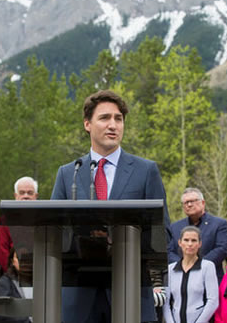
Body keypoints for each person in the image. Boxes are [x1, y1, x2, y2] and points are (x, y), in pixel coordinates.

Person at [51, 89, 170, 323]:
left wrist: (125, 241)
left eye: (118, 118)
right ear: (87, 124)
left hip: (131, 292)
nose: (113, 125)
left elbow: (162, 232)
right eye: (104, 118)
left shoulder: (145, 171)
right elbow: (54, 232)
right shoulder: (68, 174)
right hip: (79, 296)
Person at [168, 187, 227, 283]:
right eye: (186, 202)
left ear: (203, 203)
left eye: (192, 201)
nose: (189, 205)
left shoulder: (219, 224)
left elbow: (222, 249)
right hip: (180, 280)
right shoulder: (175, 227)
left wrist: (199, 265)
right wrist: (183, 265)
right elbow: (169, 251)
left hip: (210, 280)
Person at [164, 226, 219, 323]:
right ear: (180, 243)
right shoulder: (171, 269)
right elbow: (166, 302)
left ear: (199, 244)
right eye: (186, 240)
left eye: (194, 240)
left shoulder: (207, 266)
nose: (190, 244)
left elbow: (213, 301)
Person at [0, 177, 38, 273]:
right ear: (16, 196)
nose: (26, 196)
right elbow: (2, 250)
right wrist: (11, 273)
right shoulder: (6, 219)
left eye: (30, 193)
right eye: (22, 193)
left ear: (36, 196)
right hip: (13, 275)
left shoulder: (44, 220)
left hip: (39, 274)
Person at [0, 247, 31, 323]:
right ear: (12, 261)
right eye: (18, 257)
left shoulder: (40, 281)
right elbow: (3, 312)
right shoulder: (4, 283)